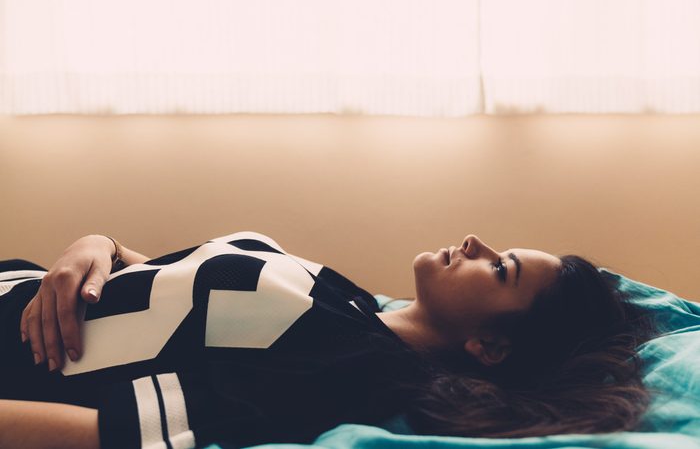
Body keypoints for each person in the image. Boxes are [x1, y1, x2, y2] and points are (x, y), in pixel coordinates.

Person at [0, 231, 654, 449]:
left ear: (491, 346)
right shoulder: (355, 305)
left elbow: (111, 431)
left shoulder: (349, 370)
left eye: (500, 268)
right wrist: (95, 245)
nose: (477, 242)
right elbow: (164, 291)